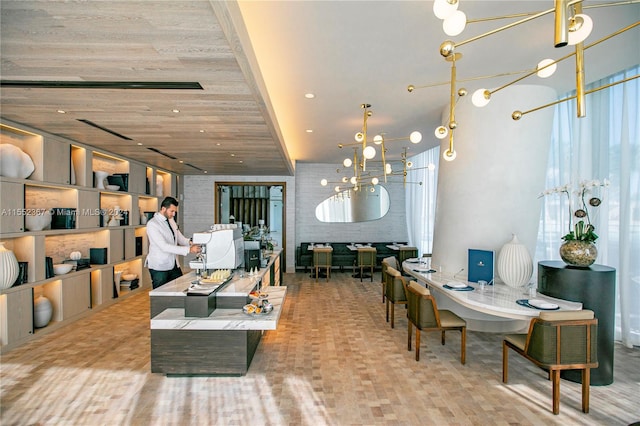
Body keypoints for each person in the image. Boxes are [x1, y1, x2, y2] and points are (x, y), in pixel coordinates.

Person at [146, 196, 201, 289]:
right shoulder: (152, 224)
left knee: (180, 288)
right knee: (160, 294)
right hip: (159, 266)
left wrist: (190, 242)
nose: (174, 214)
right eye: (172, 211)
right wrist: (189, 249)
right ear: (163, 209)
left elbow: (179, 238)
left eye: (175, 211)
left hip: (173, 264)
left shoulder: (171, 220)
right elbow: (164, 247)